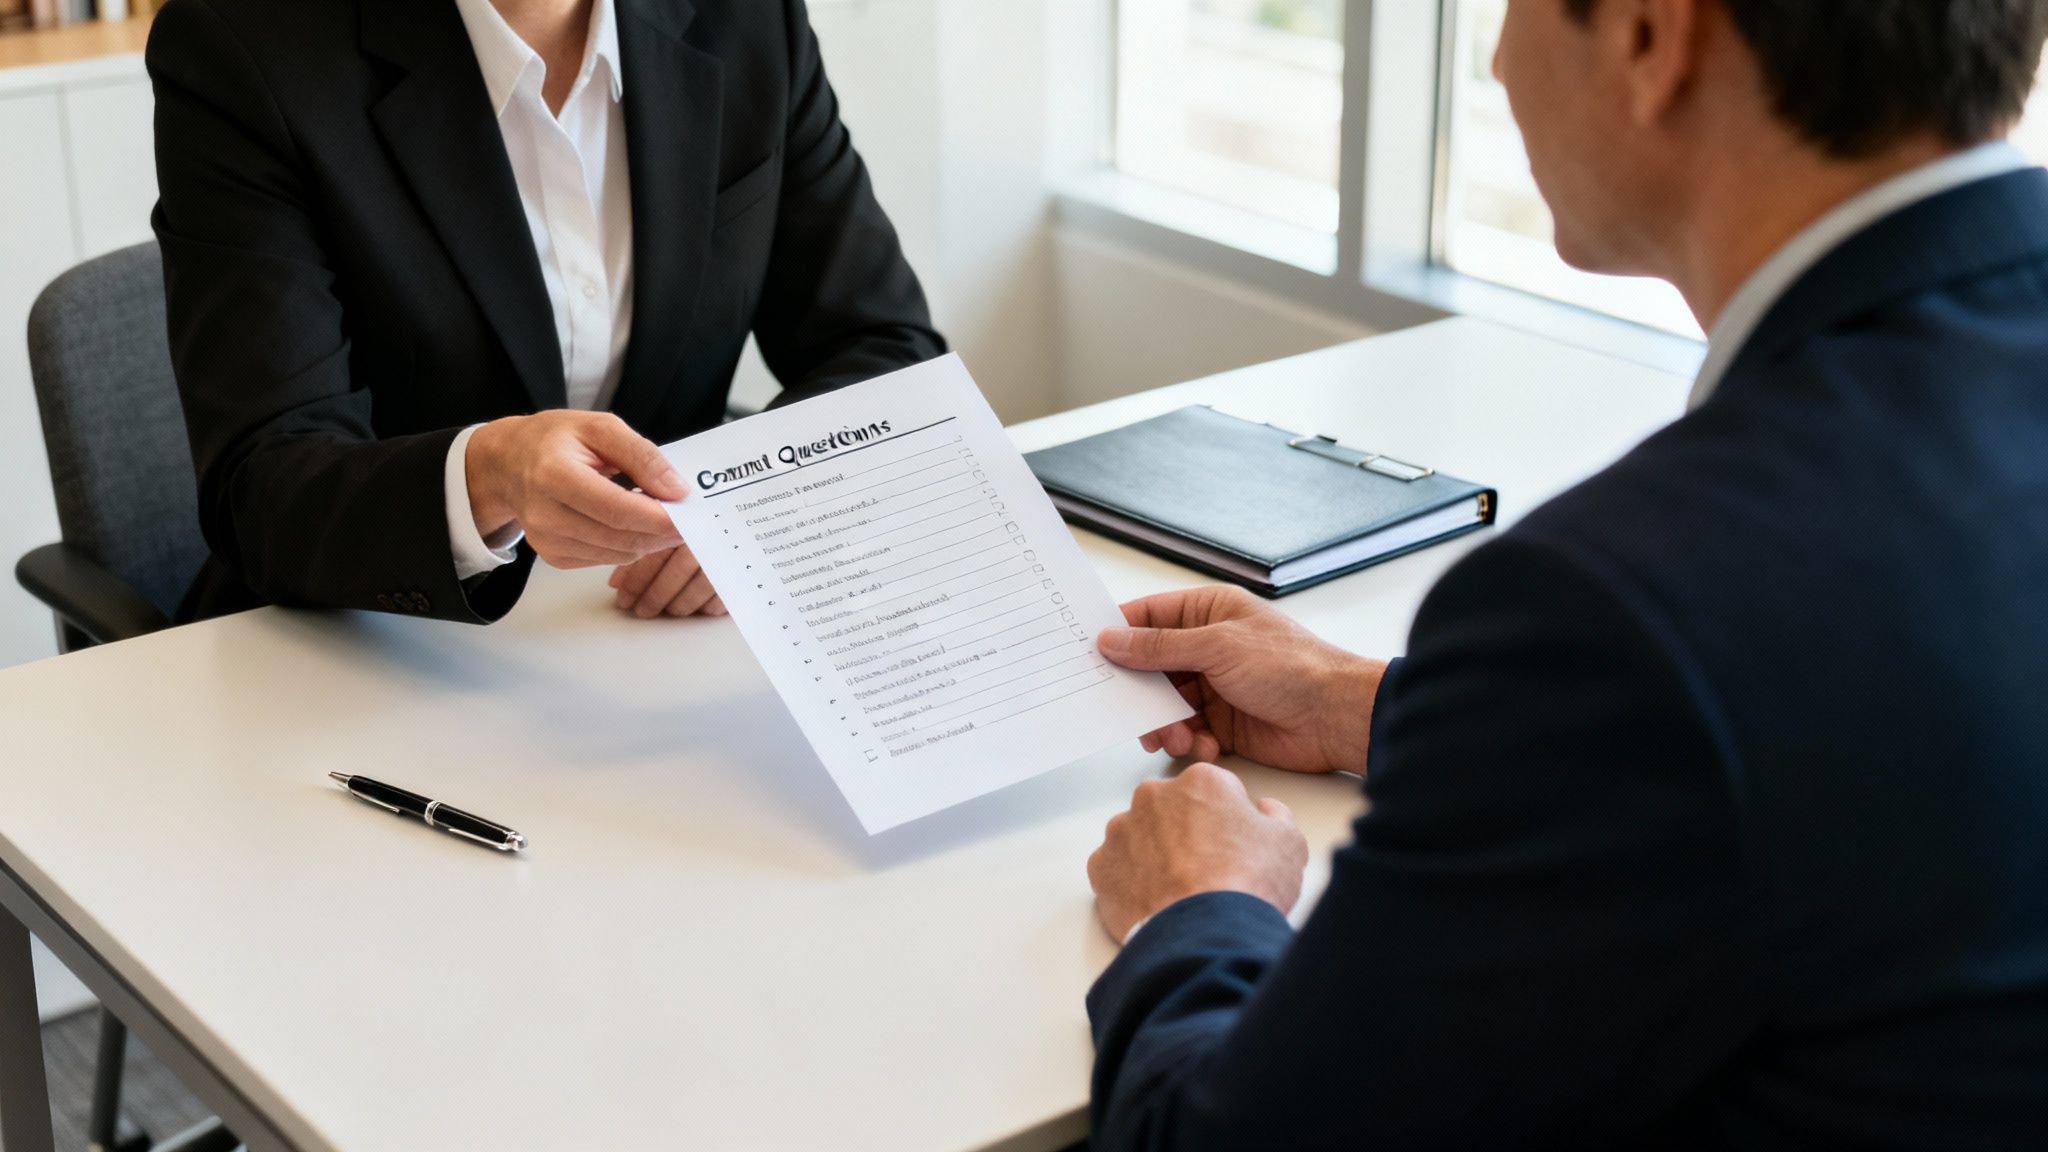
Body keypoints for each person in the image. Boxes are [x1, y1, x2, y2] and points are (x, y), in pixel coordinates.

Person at [1082, 0, 2048, 1147]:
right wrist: (1378, 709)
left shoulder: (1618, 604)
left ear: (1652, 35)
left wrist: (1197, 910)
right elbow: (1873, 737)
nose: (1492, 59)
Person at [147, 0, 943, 625]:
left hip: (645, 630)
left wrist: (758, 507)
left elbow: (886, 342)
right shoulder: (243, 50)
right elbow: (262, 488)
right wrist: (489, 473)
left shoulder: (747, 17)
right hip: (363, 652)